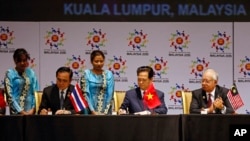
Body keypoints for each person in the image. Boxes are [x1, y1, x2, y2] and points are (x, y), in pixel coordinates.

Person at [4, 48, 39, 115]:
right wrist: (21, 111)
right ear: (15, 61)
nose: (22, 63)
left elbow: (35, 92)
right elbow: (9, 96)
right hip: (16, 113)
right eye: (19, 61)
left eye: (24, 60)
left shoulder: (31, 73)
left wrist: (33, 109)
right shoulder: (10, 74)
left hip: (31, 112)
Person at [80, 50, 114, 115]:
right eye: (96, 61)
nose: (99, 63)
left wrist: (105, 113)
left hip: (105, 111)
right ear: (91, 62)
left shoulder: (109, 74)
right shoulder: (86, 74)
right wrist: (93, 111)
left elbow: (110, 94)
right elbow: (85, 94)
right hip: (89, 109)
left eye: (101, 61)